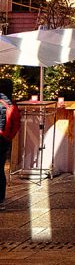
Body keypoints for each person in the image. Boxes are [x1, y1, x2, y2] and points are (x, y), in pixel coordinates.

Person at [0, 79, 20, 211]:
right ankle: (1, 200)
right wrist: (8, 137)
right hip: (3, 140)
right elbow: (17, 123)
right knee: (0, 169)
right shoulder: (11, 104)